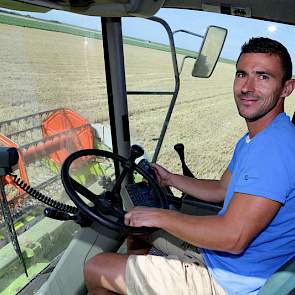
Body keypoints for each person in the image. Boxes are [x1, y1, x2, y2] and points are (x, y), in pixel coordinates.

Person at [84, 37, 295, 295]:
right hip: (222, 260)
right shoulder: (258, 138)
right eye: (242, 74)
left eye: (263, 76)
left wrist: (162, 215)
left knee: (96, 268)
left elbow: (233, 237)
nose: (247, 87)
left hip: (228, 282)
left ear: (287, 88)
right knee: (138, 230)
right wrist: (171, 179)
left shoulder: (275, 148)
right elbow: (221, 188)